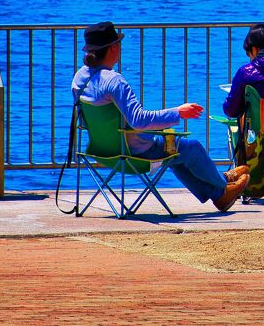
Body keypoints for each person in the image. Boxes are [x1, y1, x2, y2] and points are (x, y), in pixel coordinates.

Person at [71, 21, 248, 212]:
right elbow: (138, 120)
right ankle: (222, 184)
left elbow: (85, 120)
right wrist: (178, 112)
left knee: (175, 150)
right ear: (114, 47)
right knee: (191, 147)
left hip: (99, 150)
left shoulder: (80, 78)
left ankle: (220, 194)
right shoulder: (114, 81)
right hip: (133, 153)